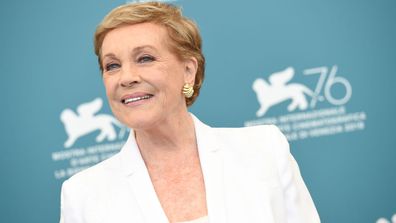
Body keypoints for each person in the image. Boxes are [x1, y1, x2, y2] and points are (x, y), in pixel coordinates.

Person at [59, 2, 320, 223]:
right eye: (112, 65)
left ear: (188, 70)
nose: (126, 78)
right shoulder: (82, 194)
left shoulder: (264, 149)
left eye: (145, 58)